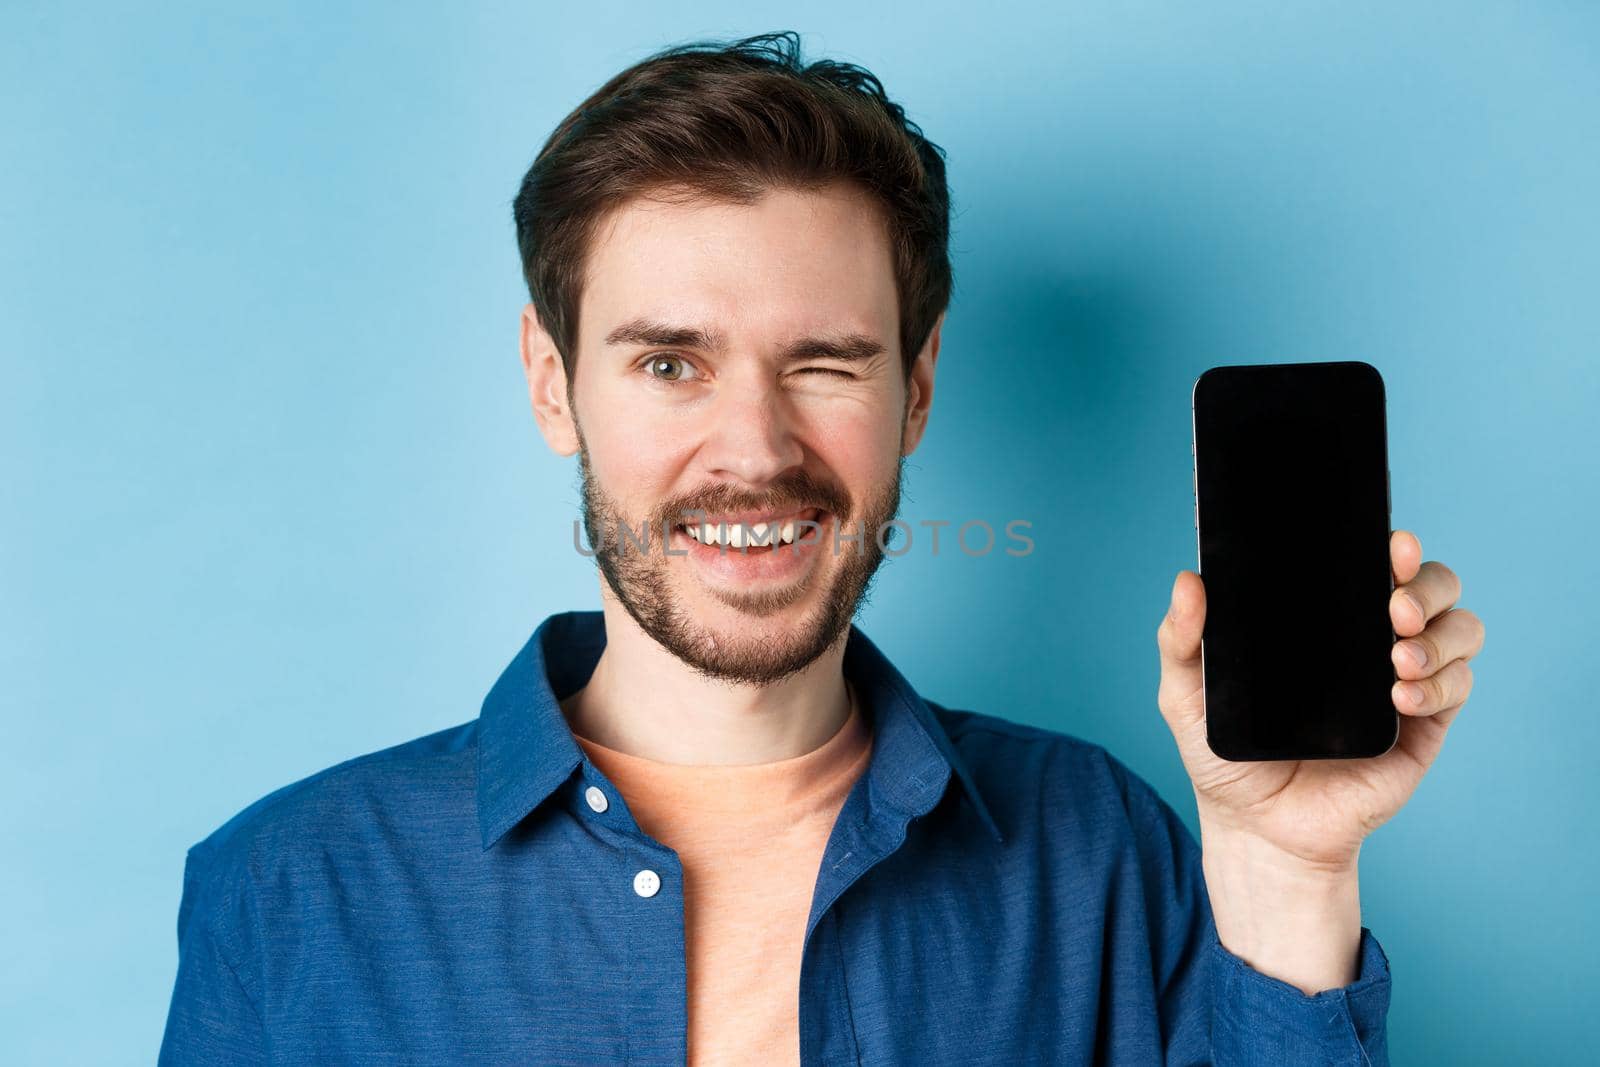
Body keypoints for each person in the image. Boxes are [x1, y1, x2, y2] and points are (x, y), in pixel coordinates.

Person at [158, 31, 1485, 1065]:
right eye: (670, 362)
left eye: (825, 363)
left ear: (915, 390)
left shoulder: (1100, 858)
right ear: (551, 381)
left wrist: (1289, 868)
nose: (755, 448)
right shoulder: (288, 895)